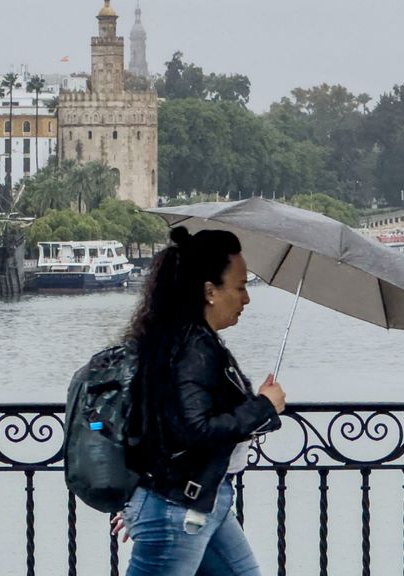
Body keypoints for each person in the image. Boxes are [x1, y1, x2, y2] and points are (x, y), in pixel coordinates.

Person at [112, 226, 287, 576]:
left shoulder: (182, 341)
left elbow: (165, 423)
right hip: (179, 507)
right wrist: (264, 406)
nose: (246, 298)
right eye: (239, 287)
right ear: (209, 291)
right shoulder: (194, 348)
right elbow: (195, 429)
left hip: (202, 500)